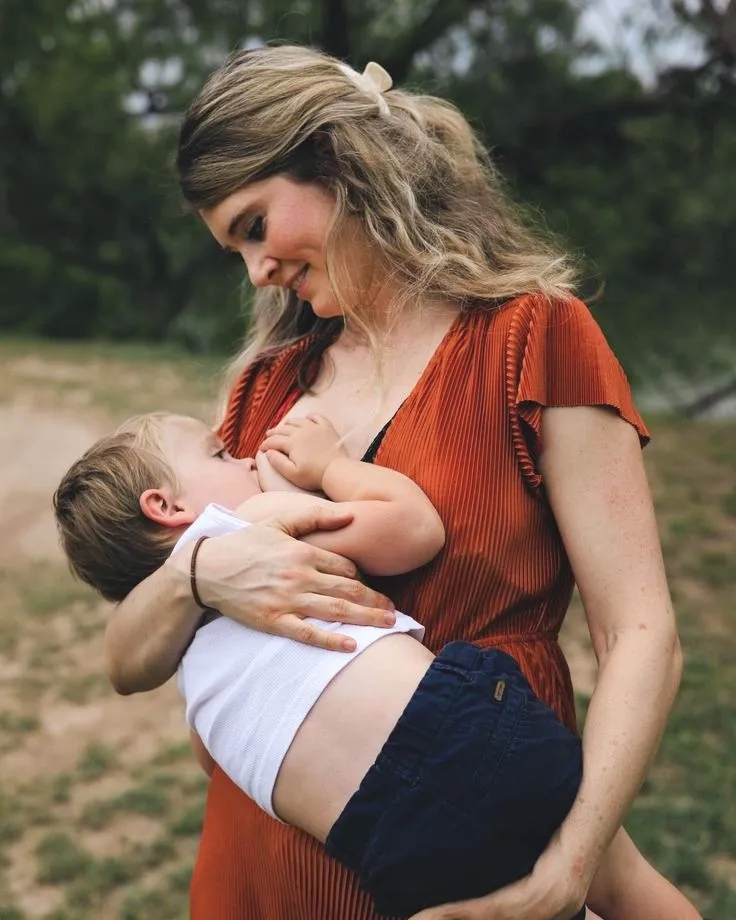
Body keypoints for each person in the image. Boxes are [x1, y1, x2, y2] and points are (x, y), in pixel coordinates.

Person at [101, 45, 701, 920]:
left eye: (255, 226)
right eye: (236, 249)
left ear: (337, 164)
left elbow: (642, 634)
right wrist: (194, 573)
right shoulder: (266, 386)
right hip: (259, 865)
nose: (256, 271)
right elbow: (128, 661)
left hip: (477, 849)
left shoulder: (535, 338)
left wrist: (571, 870)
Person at [55, 409, 589, 918]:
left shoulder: (187, 652)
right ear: (165, 507)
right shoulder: (248, 525)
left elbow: (213, 758)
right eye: (220, 455)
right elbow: (414, 530)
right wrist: (331, 466)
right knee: (604, 880)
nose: (245, 458)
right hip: (452, 732)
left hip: (383, 835)